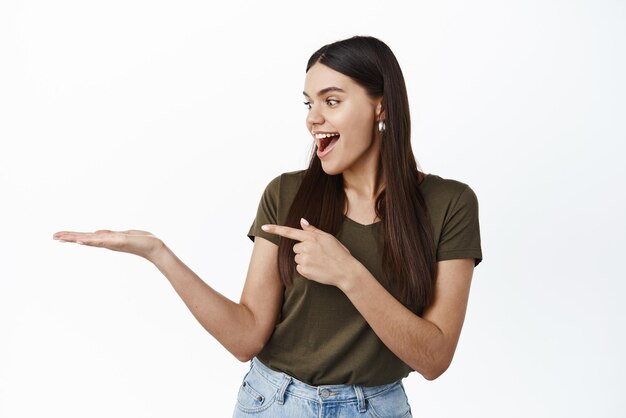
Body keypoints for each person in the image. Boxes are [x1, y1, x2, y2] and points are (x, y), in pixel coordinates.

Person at [52, 35, 483, 417]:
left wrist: (348, 274)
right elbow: (245, 338)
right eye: (308, 103)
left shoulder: (450, 203)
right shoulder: (286, 193)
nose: (313, 117)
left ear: (381, 105)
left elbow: (434, 358)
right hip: (274, 404)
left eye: (331, 101)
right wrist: (158, 254)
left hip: (378, 408)